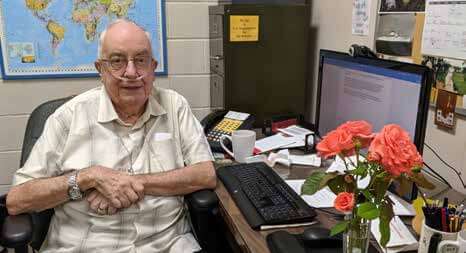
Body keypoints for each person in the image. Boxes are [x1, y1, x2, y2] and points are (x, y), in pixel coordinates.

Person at [6, 19, 216, 253]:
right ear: (100, 69)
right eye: (117, 61)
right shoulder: (68, 117)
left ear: (153, 67)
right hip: (85, 246)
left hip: (168, 244)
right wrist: (89, 178)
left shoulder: (175, 106)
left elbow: (205, 174)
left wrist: (131, 183)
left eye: (141, 60)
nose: (131, 72)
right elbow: (17, 200)